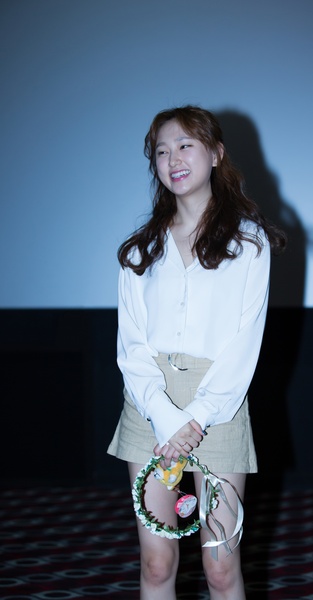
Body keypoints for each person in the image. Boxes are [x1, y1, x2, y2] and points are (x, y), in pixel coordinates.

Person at [107, 105, 286, 599]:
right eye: (162, 151)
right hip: (149, 405)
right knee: (157, 563)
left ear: (216, 153)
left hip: (219, 406)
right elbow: (132, 346)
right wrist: (165, 418)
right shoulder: (140, 250)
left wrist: (197, 417)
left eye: (185, 145)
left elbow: (244, 342)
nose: (173, 159)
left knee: (220, 567)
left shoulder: (248, 243)